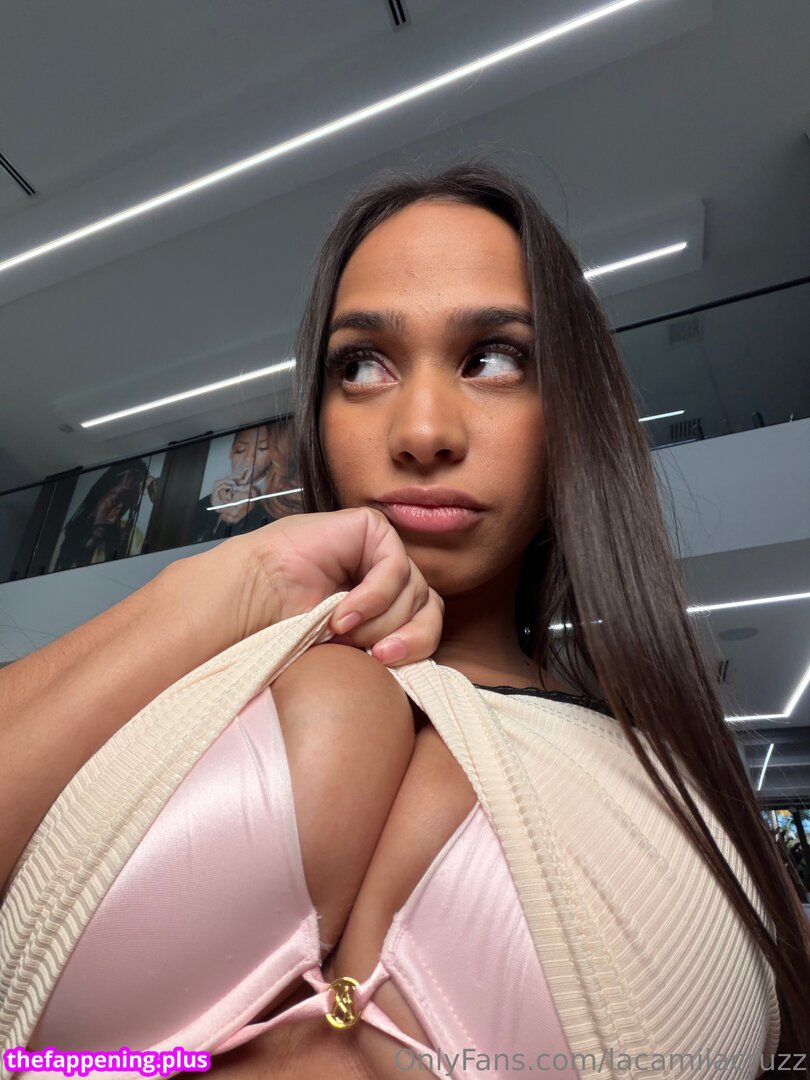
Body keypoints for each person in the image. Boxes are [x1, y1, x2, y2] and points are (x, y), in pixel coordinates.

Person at [1, 162, 808, 1080]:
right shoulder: (184, 696)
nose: (423, 431)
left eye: (494, 358)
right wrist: (225, 587)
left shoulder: (678, 806)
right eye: (363, 366)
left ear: (569, 409)